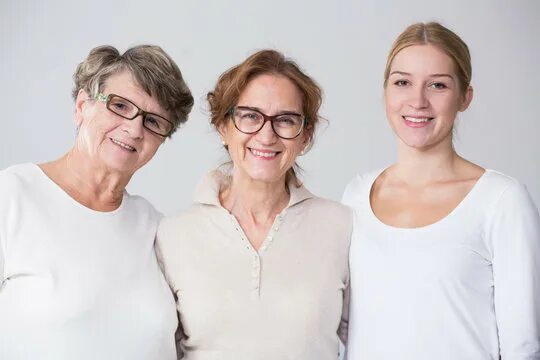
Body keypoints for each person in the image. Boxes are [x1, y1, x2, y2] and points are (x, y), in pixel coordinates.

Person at [343, 22, 540, 359]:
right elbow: (346, 329)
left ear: (465, 97)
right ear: (386, 92)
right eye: (402, 82)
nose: (417, 100)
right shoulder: (357, 194)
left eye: (437, 85)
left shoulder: (500, 200)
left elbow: (523, 344)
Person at [0, 45, 194, 360]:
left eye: (153, 122)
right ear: (82, 106)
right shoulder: (12, 196)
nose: (134, 129)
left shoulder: (156, 228)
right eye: (119, 106)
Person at [156, 49, 351, 359]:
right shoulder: (173, 235)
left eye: (285, 120)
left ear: (305, 136)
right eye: (250, 116)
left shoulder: (342, 227)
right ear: (223, 127)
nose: (266, 135)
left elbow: (373, 339)